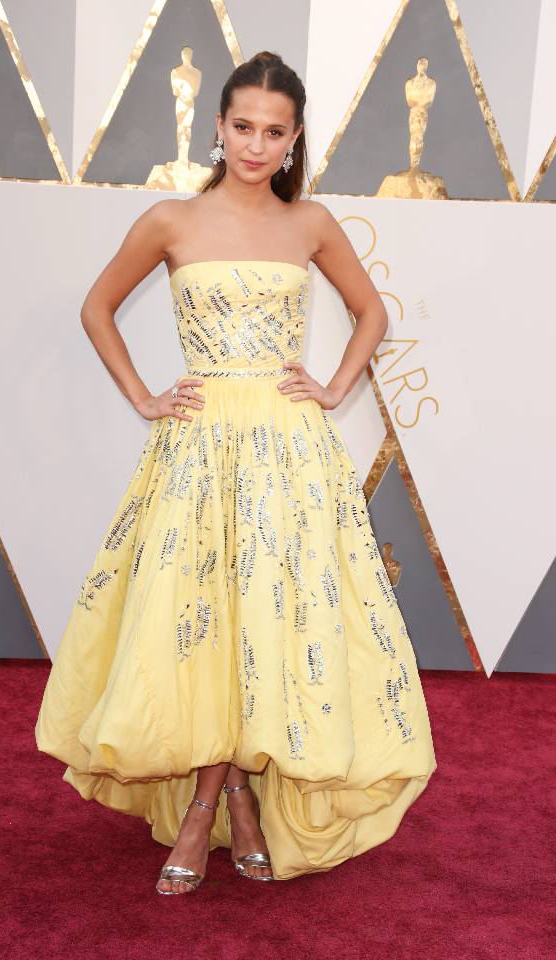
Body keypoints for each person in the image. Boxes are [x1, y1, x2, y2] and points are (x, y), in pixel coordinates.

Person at [35, 51, 437, 896]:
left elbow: (374, 311)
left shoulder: (312, 224)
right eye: (243, 126)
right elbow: (95, 307)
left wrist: (330, 388)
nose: (257, 144)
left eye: (275, 131)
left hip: (289, 451)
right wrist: (144, 396)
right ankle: (230, 804)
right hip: (200, 445)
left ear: (294, 143)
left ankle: (211, 812)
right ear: (217, 128)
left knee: (268, 624)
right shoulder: (170, 221)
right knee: (209, 624)